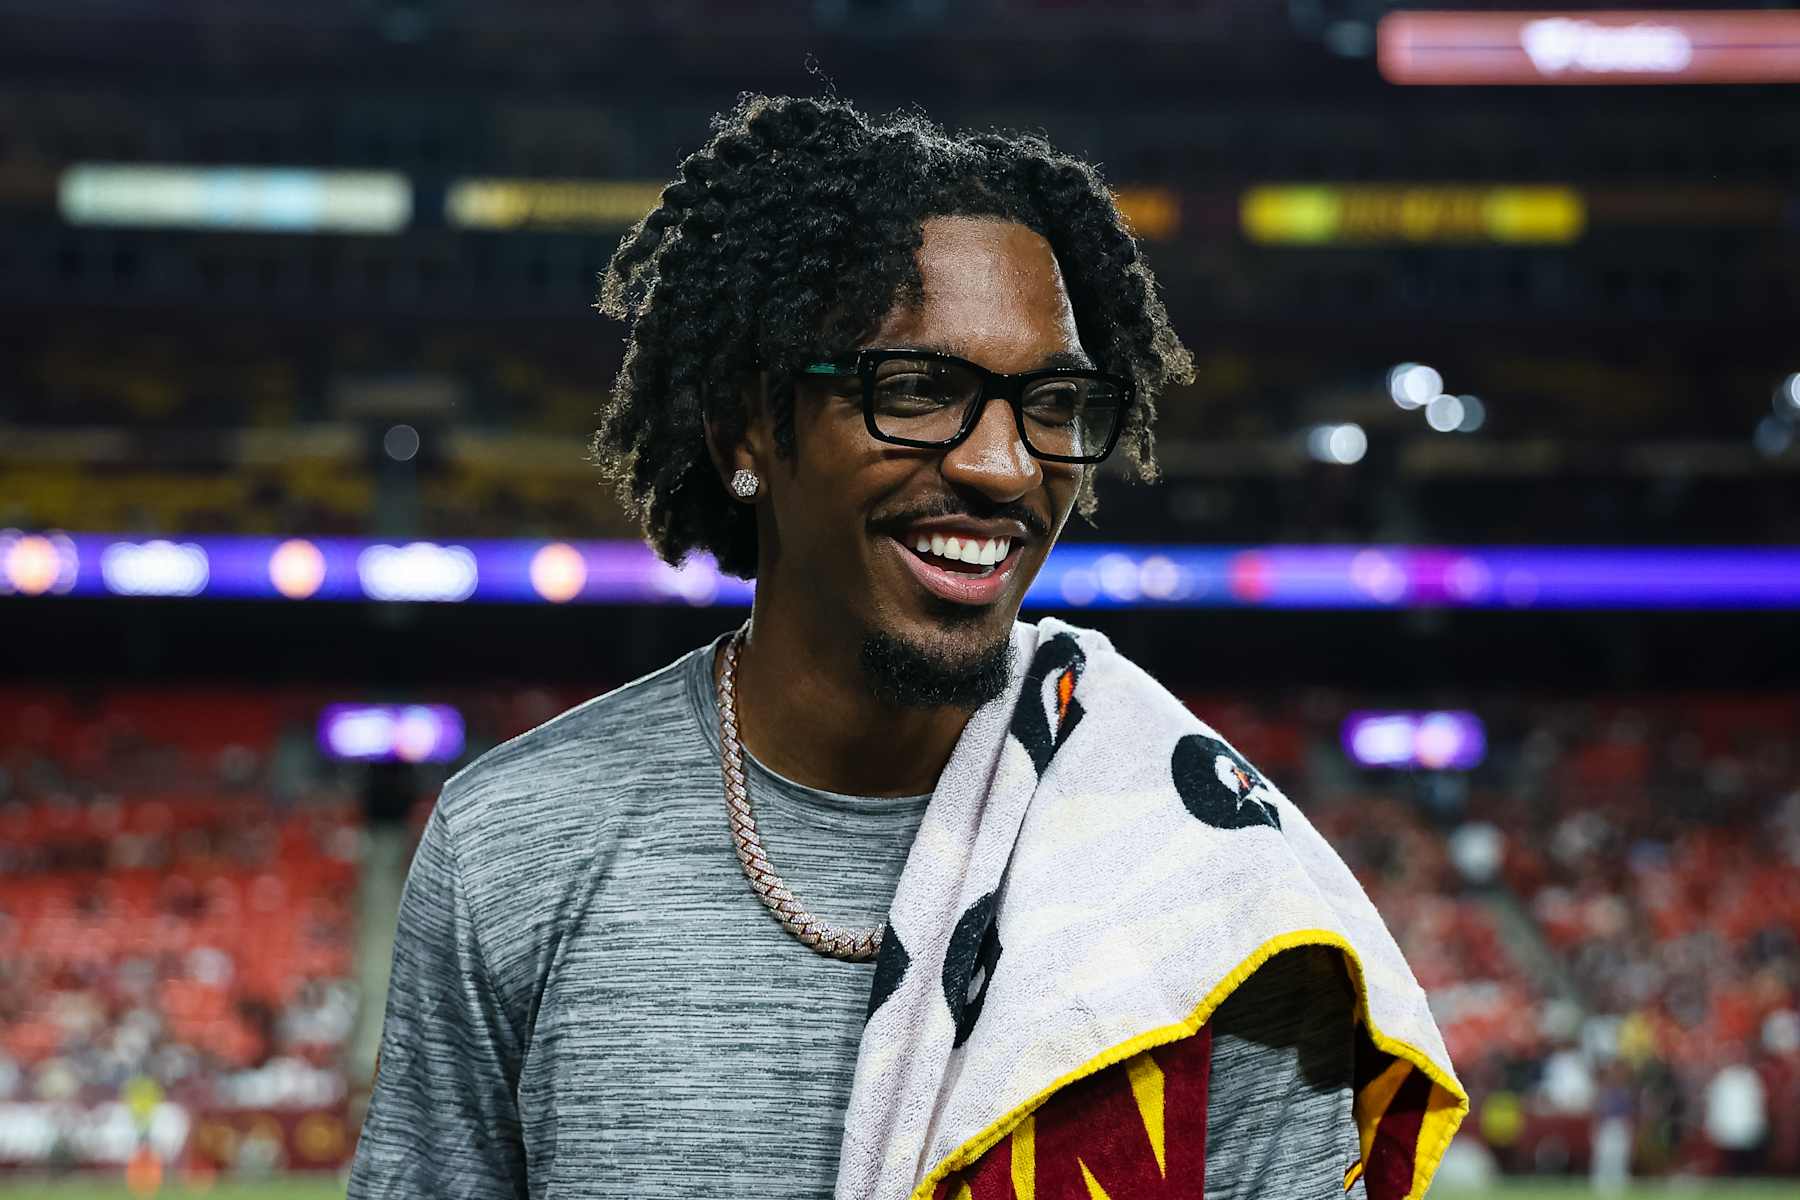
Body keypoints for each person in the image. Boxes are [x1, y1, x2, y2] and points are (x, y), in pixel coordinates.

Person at [348, 94, 1454, 1199]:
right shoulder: (515, 845)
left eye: (1054, 403)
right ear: (748, 429)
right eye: (919, 391)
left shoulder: (1214, 880)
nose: (1005, 467)